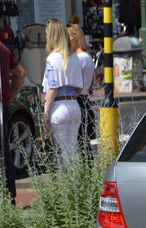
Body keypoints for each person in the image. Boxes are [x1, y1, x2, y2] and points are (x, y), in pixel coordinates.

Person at [42, 19, 84, 167]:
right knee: (73, 149)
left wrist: (46, 112)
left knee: (63, 150)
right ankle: (78, 182)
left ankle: (69, 186)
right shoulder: (74, 57)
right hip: (74, 105)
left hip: (58, 106)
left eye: (47, 33)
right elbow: (80, 88)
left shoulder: (52, 58)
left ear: (52, 35)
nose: (46, 36)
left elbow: (52, 88)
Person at [0, 40, 26, 202]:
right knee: (3, 150)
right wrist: (8, 98)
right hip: (2, 105)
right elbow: (20, 73)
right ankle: (9, 197)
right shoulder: (2, 48)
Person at [67, 22, 96, 157]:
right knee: (83, 144)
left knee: (81, 144)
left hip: (80, 102)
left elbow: (77, 86)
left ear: (76, 37)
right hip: (84, 102)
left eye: (68, 36)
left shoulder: (80, 58)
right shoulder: (86, 57)